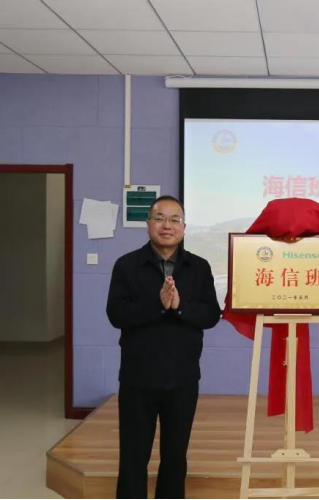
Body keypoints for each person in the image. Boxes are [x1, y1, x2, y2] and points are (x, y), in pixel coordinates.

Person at [107, 196, 221, 499]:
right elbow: (116, 315)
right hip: (138, 378)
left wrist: (180, 306)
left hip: (183, 378)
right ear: (148, 225)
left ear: (183, 227)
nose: (166, 225)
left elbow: (211, 315)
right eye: (159, 218)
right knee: (133, 456)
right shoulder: (127, 265)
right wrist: (158, 305)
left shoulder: (199, 267)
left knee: (174, 456)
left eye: (174, 219)